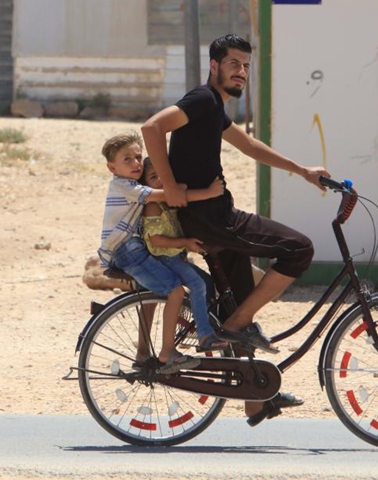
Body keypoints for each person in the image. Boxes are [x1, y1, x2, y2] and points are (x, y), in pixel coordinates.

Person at [141, 34, 330, 425]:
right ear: (215, 66)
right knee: (299, 248)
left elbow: (249, 146)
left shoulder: (215, 110)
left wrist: (303, 171)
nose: (241, 72)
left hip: (213, 216)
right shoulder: (202, 100)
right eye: (233, 64)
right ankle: (236, 325)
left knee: (240, 298)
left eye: (245, 65)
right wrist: (171, 186)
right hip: (215, 220)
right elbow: (152, 128)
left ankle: (254, 397)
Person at [97, 132, 225, 374]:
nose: (135, 163)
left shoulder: (134, 185)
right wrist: (207, 192)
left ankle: (180, 337)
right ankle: (168, 351)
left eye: (138, 157)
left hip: (134, 248)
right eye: (128, 160)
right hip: (127, 250)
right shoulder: (125, 187)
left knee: (188, 286)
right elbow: (169, 195)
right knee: (174, 290)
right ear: (111, 167)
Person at [138, 156, 230, 352]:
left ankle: (195, 321)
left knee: (206, 282)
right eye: (154, 177)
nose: (161, 181)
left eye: (164, 175)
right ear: (145, 185)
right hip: (164, 258)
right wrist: (186, 242)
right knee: (197, 284)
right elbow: (156, 240)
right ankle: (204, 335)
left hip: (175, 257)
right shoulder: (153, 204)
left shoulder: (168, 201)